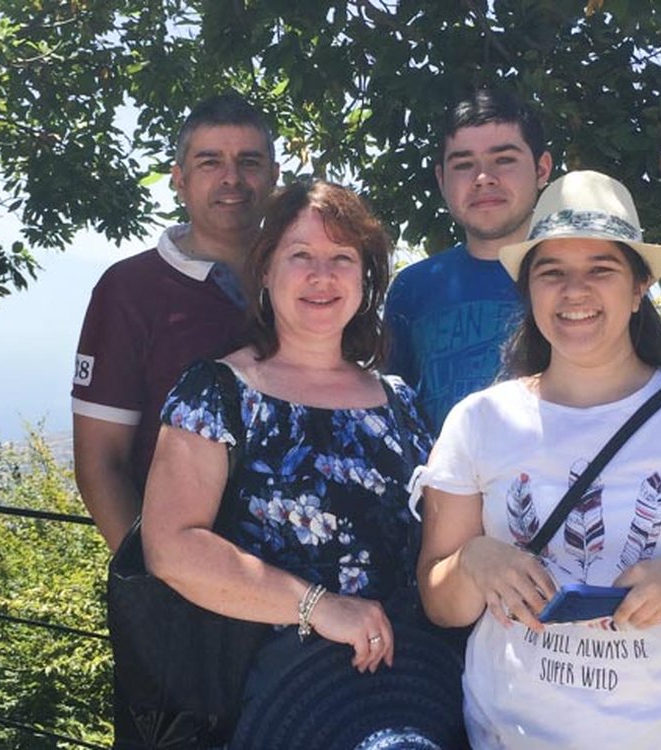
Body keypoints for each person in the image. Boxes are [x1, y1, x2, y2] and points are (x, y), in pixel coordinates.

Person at [416, 170, 661, 749]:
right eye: (552, 273)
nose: (574, 292)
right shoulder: (478, 420)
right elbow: (442, 606)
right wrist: (473, 560)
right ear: (529, 290)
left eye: (600, 270)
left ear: (639, 287)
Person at [141, 180, 441, 746]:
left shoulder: (398, 399)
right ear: (266, 271)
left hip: (404, 697)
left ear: (366, 278)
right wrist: (318, 607)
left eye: (342, 258)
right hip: (271, 702)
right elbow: (171, 546)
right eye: (300, 255)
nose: (322, 276)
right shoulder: (218, 391)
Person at [71, 92, 279, 552]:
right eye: (210, 163)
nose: (232, 179)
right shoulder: (130, 289)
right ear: (179, 181)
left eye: (249, 162)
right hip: (189, 588)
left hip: (313, 583)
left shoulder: (308, 282)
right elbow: (100, 462)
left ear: (273, 178)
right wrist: (151, 580)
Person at [384, 87, 553, 432]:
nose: (483, 178)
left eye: (504, 159)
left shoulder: (579, 279)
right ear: (441, 179)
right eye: (463, 164)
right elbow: (395, 411)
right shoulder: (412, 289)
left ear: (542, 169)